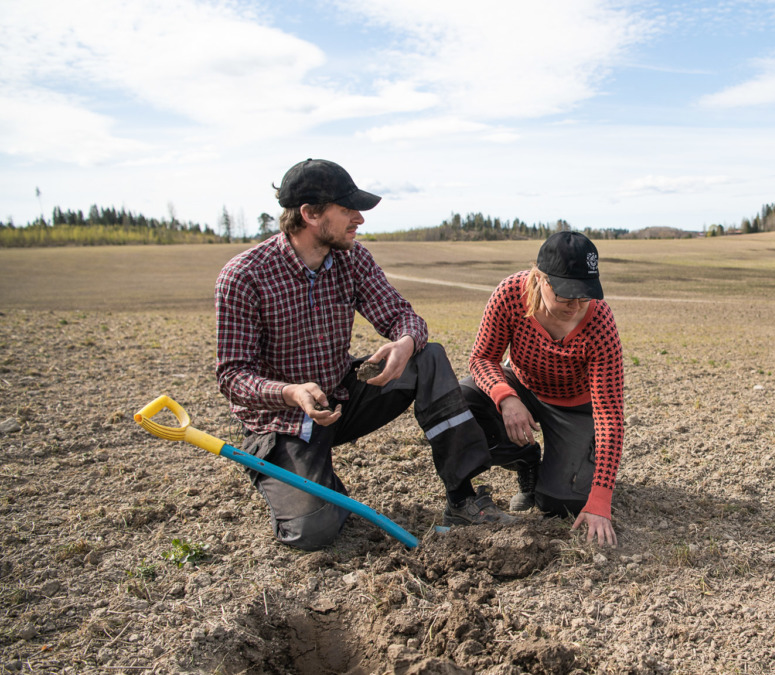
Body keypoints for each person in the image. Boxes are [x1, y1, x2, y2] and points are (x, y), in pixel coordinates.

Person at [214, 158, 511, 550]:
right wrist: (292, 393)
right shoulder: (244, 276)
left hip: (341, 395)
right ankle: (306, 485)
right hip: (283, 422)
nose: (359, 219)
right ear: (309, 214)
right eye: (347, 210)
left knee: (428, 357)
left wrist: (405, 343)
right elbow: (233, 376)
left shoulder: (352, 259)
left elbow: (404, 317)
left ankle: (463, 495)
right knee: (313, 530)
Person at [458, 232, 625, 546]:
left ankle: (561, 472)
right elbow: (482, 358)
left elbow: (609, 416)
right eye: (565, 294)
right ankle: (525, 459)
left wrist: (600, 501)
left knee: (561, 503)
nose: (575, 305)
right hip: (521, 386)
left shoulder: (600, 322)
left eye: (584, 294)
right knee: (461, 401)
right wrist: (505, 397)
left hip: (573, 407)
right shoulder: (509, 294)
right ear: (539, 278)